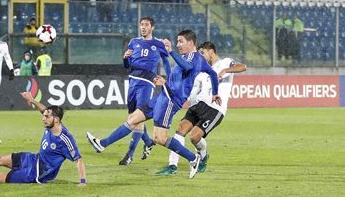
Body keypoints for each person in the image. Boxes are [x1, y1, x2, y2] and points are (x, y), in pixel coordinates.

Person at [86, 30, 220, 179]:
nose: (178, 44)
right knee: (133, 118)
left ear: (190, 43)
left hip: (170, 100)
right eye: (177, 41)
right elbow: (213, 74)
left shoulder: (194, 57)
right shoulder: (192, 58)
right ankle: (102, 144)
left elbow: (187, 67)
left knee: (159, 138)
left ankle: (193, 159)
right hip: (163, 94)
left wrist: (171, 52)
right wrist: (215, 92)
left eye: (181, 41)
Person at [156, 41, 247, 175]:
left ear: (211, 51)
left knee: (194, 137)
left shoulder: (225, 62)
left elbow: (242, 67)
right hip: (199, 105)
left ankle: (203, 157)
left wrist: (225, 70)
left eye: (203, 53)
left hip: (215, 108)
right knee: (180, 129)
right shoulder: (202, 70)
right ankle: (172, 166)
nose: (202, 56)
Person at [0, 92, 86, 186]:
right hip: (33, 159)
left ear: (56, 120)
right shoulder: (51, 124)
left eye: (47, 117)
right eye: (44, 116)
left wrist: (82, 182)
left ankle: (18, 173)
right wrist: (32, 100)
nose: (43, 118)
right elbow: (43, 109)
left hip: (37, 173)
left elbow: (78, 159)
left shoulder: (65, 139)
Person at [118, 17, 171, 166]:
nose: (143, 27)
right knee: (133, 118)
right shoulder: (133, 42)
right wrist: (125, 59)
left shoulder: (158, 44)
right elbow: (127, 66)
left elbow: (166, 61)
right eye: (141, 25)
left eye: (146, 25)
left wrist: (170, 79)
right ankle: (147, 141)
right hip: (133, 82)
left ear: (152, 27)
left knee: (137, 118)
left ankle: (129, 155)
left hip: (147, 83)